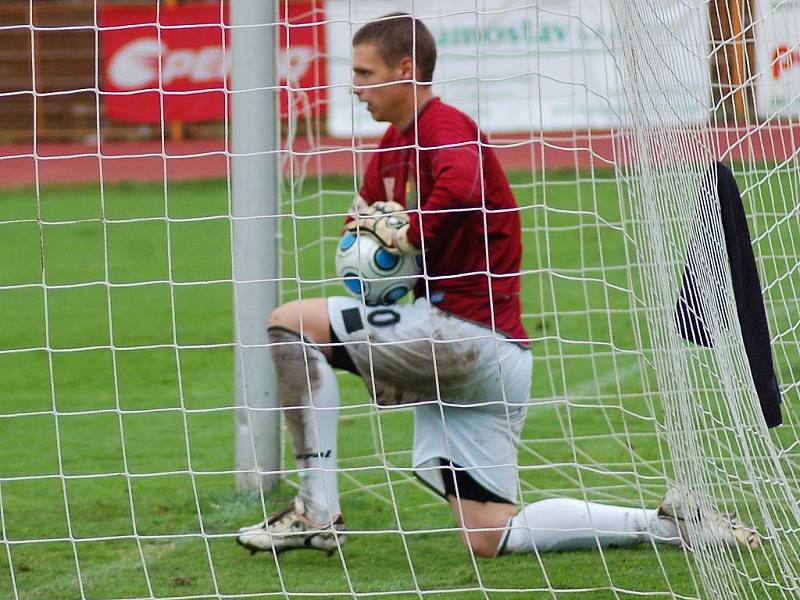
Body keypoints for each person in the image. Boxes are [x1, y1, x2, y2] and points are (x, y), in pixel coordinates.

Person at [236, 13, 759, 559]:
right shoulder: (392, 148)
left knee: (290, 323)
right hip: (494, 359)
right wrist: (370, 253)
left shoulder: (446, 128)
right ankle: (668, 524)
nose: (355, 87)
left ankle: (315, 513)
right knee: (490, 534)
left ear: (406, 69)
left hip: (460, 334)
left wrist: (406, 231)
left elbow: (459, 189)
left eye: (366, 73)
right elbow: (363, 223)